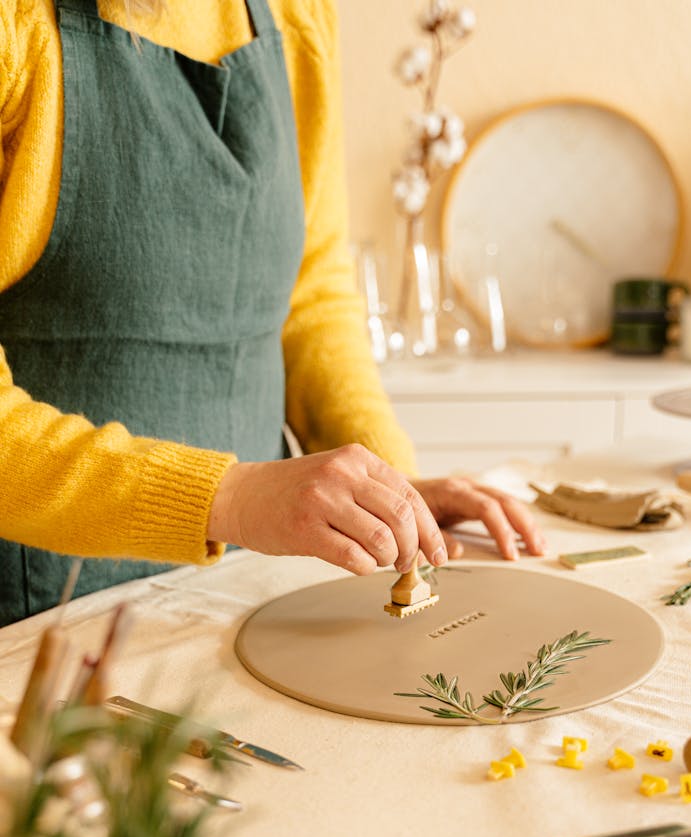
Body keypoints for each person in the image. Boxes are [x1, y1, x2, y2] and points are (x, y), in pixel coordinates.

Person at [0, 0, 544, 628]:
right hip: (40, 612)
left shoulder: (299, 15)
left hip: (245, 594)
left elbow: (312, 293)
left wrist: (391, 490)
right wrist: (229, 498)